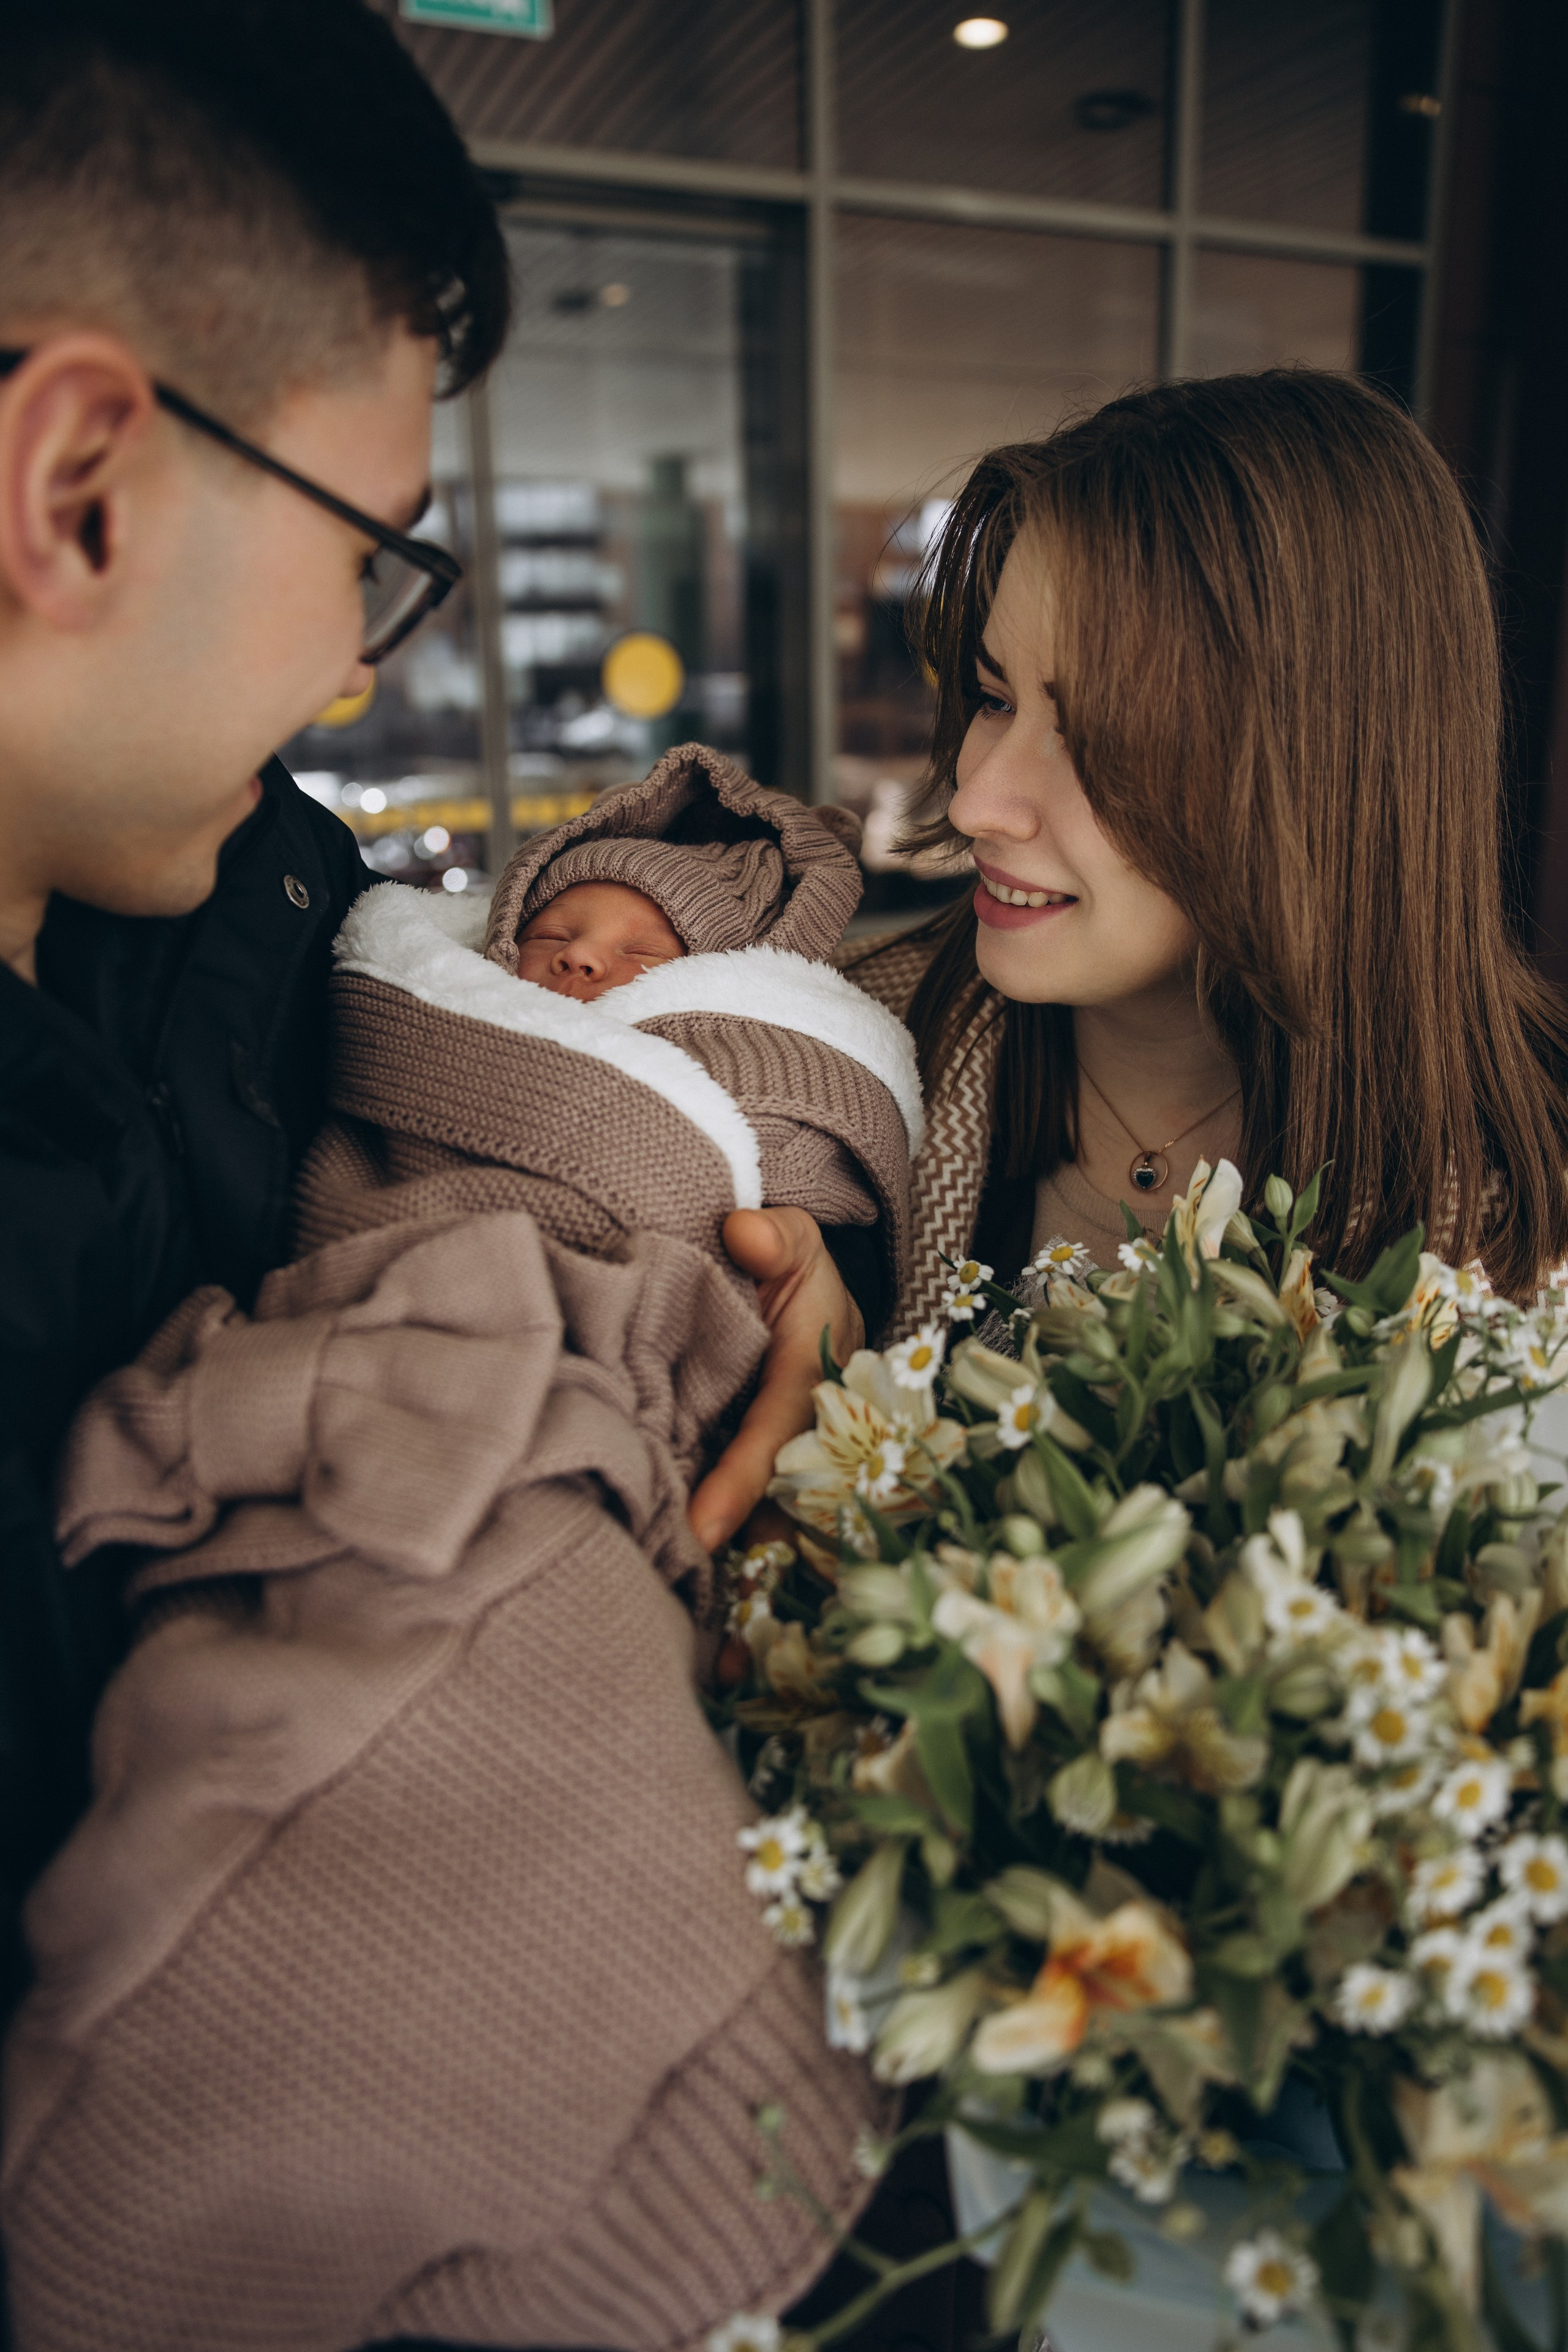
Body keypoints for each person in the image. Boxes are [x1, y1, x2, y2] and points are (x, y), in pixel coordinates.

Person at [0, 0, 850, 2045]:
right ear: (78, 483)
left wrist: (724, 1263)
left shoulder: (276, 905)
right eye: (369, 561)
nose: (363, 678)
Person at [837, 368, 1568, 1339]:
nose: (976, 803)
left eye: (1096, 739)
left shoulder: (1518, 1226)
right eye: (994, 697)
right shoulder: (831, 1076)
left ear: (1323, 776)